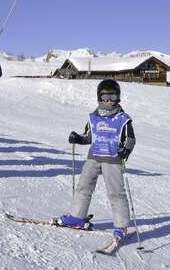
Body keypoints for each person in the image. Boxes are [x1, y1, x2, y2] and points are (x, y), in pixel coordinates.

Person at [56, 79, 136, 242]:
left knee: (115, 193)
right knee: (84, 186)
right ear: (99, 98)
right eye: (105, 97)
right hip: (93, 157)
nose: (109, 101)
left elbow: (130, 139)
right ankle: (77, 217)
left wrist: (124, 150)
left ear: (118, 97)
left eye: (112, 97)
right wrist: (78, 138)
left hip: (112, 160)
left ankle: (121, 226)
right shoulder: (93, 118)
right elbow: (88, 137)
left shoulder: (123, 119)